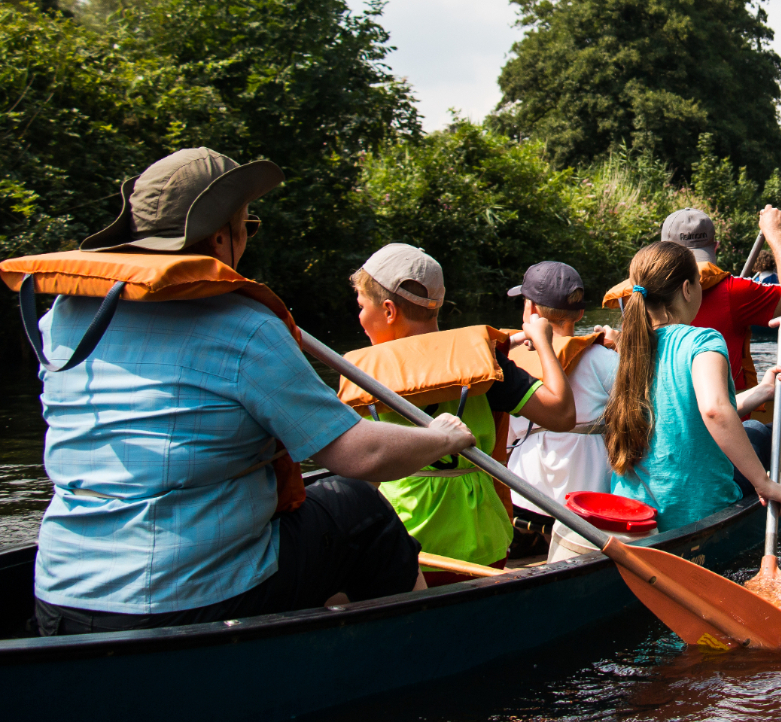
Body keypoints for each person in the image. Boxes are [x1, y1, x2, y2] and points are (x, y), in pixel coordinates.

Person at [28, 148, 476, 636]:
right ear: (223, 237)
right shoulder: (245, 329)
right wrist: (442, 438)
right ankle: (420, 647)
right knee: (357, 506)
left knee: (319, 500)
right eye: (245, 224)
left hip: (59, 593)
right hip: (190, 602)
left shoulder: (62, 319)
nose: (246, 236)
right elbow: (360, 454)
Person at [348, 244, 575, 585]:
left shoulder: (363, 373)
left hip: (403, 539)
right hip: (481, 542)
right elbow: (561, 413)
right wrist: (542, 341)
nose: (360, 318)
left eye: (362, 306)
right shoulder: (483, 363)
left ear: (389, 310)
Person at [603, 242, 781, 531]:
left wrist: (762, 391)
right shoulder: (703, 341)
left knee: (753, 431)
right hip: (695, 510)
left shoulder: (628, 345)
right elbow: (714, 410)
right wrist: (764, 483)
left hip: (634, 513)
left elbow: (691, 410)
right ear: (688, 289)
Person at [607, 206, 781, 392]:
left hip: (658, 423)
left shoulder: (634, 292)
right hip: (729, 419)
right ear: (715, 247)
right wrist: (774, 233)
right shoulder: (733, 292)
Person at [502, 261, 621, 559]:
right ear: (580, 313)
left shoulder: (510, 362)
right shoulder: (603, 359)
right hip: (586, 506)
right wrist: (621, 350)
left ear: (530, 311)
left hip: (523, 503)